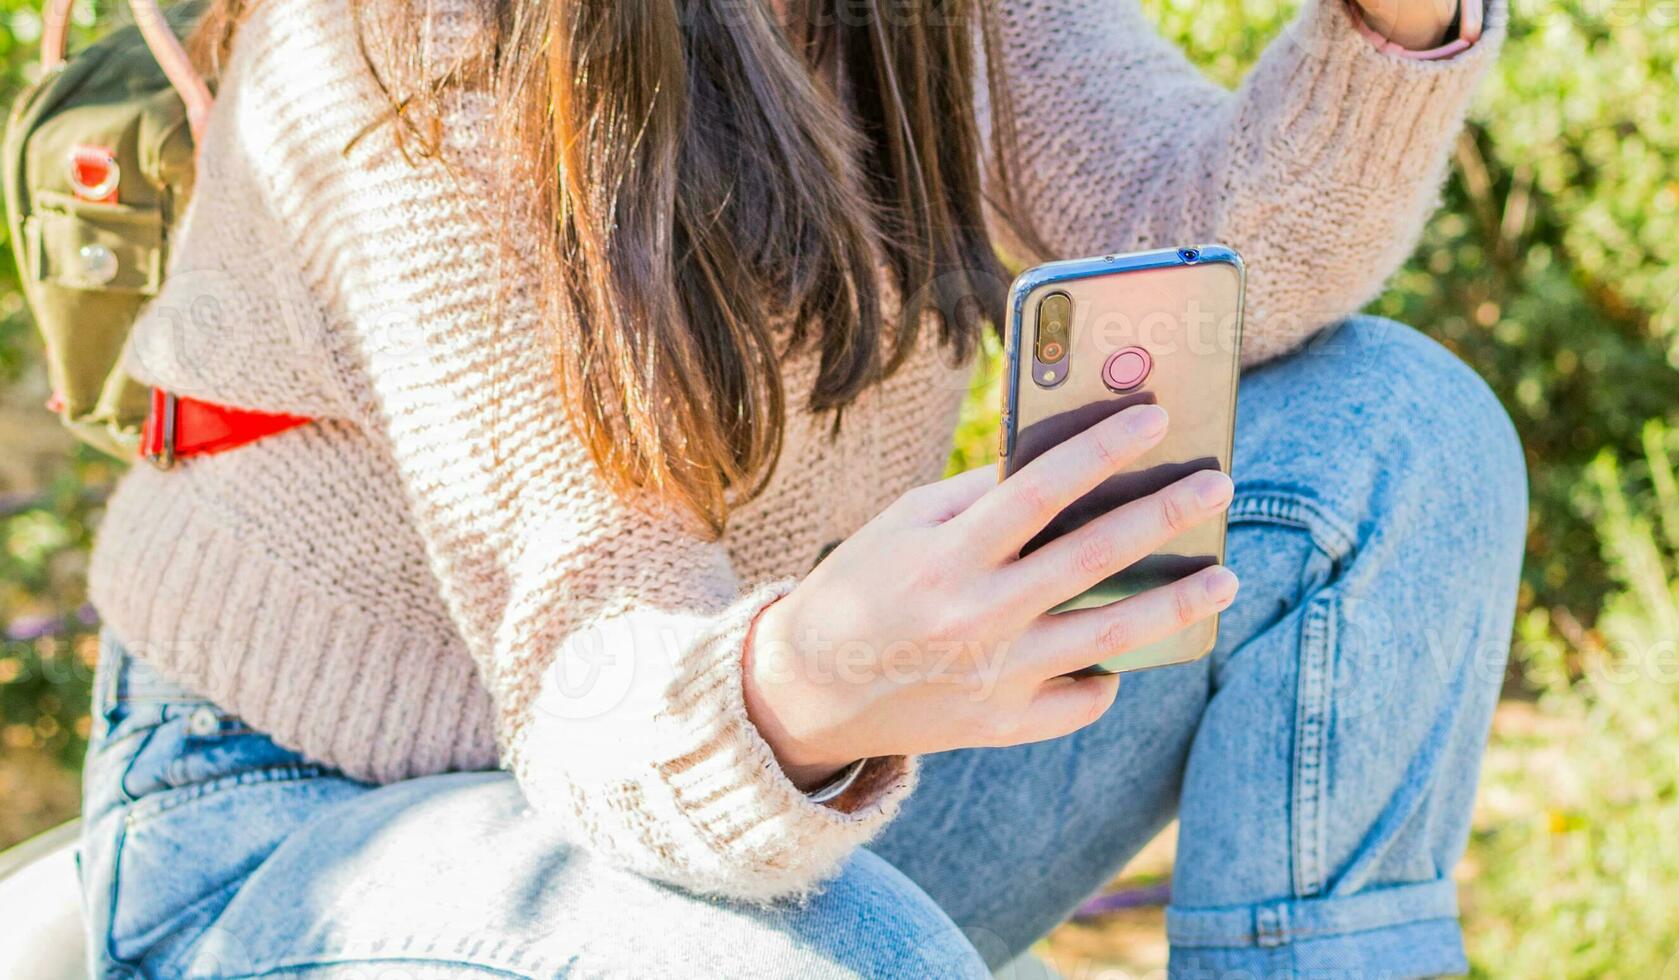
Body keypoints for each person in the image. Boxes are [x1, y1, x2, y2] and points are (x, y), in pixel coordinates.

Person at [73, 0, 1522, 975]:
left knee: (1389, 436)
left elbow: (1205, 252)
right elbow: (593, 659)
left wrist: (1390, 21)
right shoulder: (403, 36)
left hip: (775, 763)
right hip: (300, 830)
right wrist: (816, 667)